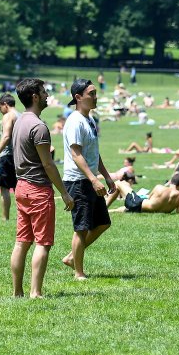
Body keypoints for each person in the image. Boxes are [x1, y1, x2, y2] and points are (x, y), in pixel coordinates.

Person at [9, 78, 75, 299]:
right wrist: (64, 193)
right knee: (43, 243)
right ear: (35, 96)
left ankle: (17, 291)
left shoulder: (18, 121)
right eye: (44, 92)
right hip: (38, 190)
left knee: (21, 242)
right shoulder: (39, 127)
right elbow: (48, 164)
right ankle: (35, 292)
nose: (47, 95)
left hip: (21, 188)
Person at [60, 78, 115, 282]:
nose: (95, 96)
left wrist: (107, 177)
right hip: (78, 181)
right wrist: (93, 179)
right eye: (91, 93)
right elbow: (76, 154)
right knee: (81, 228)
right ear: (78, 97)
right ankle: (78, 272)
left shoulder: (89, 119)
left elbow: (93, 153)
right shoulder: (75, 121)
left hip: (90, 179)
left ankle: (72, 257)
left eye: (95, 93)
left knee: (102, 223)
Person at [0, 93, 19, 221]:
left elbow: (6, 136)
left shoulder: (8, 116)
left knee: (5, 188)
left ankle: (5, 218)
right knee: (19, 188)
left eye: (0, 107)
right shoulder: (20, 115)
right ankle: (23, 217)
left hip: (7, 156)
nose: (0, 111)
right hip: (19, 155)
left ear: (5, 105)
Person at [111, 174, 179, 214]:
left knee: (119, 183)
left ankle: (104, 208)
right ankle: (107, 211)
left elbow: (149, 199)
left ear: (170, 181)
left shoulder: (159, 187)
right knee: (122, 209)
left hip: (138, 205)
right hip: (142, 209)